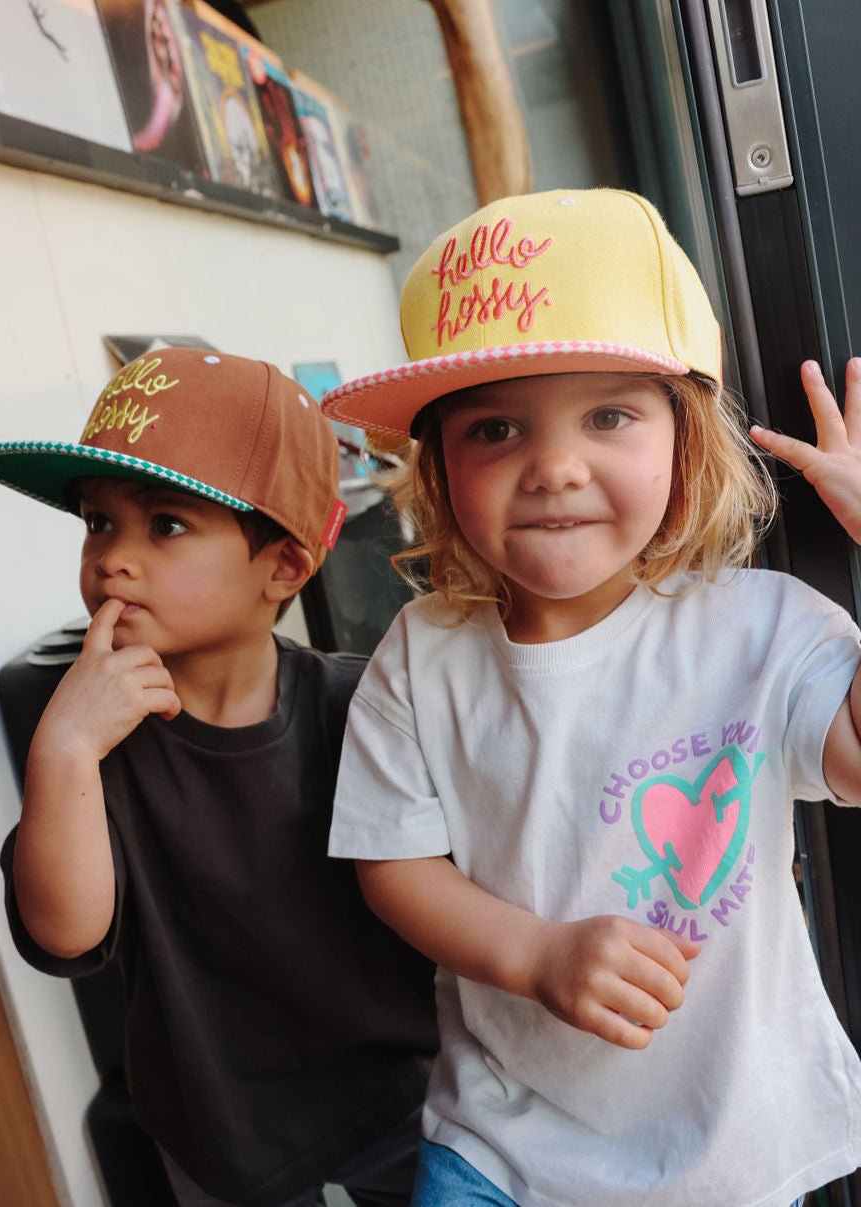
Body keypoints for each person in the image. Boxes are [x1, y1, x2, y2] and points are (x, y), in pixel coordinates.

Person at [319, 188, 861, 1207]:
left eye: (607, 414)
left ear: (686, 439)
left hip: (720, 1148)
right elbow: (391, 862)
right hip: (498, 1140)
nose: (553, 466)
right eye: (495, 429)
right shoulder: (421, 651)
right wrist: (534, 953)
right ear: (438, 469)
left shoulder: (761, 627)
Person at [0, 347, 438, 1207]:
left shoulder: (365, 707)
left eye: (167, 524)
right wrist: (62, 753)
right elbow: (64, 936)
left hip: (405, 1104)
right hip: (219, 1134)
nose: (113, 557)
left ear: (285, 567)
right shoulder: (94, 734)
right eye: (98, 521)